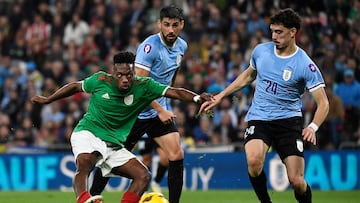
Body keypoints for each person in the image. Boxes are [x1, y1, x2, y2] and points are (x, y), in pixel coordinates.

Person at [31, 51, 212, 203]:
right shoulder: (100, 80)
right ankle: (84, 199)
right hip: (88, 133)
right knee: (86, 163)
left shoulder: (143, 86)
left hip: (113, 145)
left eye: (129, 75)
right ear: (113, 73)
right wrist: (49, 99)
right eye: (121, 75)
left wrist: (196, 98)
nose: (125, 79)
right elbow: (74, 87)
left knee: (143, 176)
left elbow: (174, 91)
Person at [199, 8, 329, 203]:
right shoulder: (261, 51)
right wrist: (222, 95)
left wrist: (312, 127)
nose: (274, 36)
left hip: (289, 122)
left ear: (293, 32)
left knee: (297, 181)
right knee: (253, 162)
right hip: (259, 117)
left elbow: (323, 103)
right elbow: (248, 75)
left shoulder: (304, 64)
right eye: (272, 31)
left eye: (279, 32)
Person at [90, 5, 188, 203]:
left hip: (156, 113)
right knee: (109, 161)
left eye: (175, 25)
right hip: (133, 113)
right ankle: (91, 197)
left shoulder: (182, 46)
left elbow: (173, 72)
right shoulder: (148, 48)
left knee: (176, 154)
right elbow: (140, 87)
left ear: (181, 25)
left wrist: (168, 95)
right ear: (159, 24)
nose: (170, 30)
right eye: (166, 25)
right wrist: (160, 109)